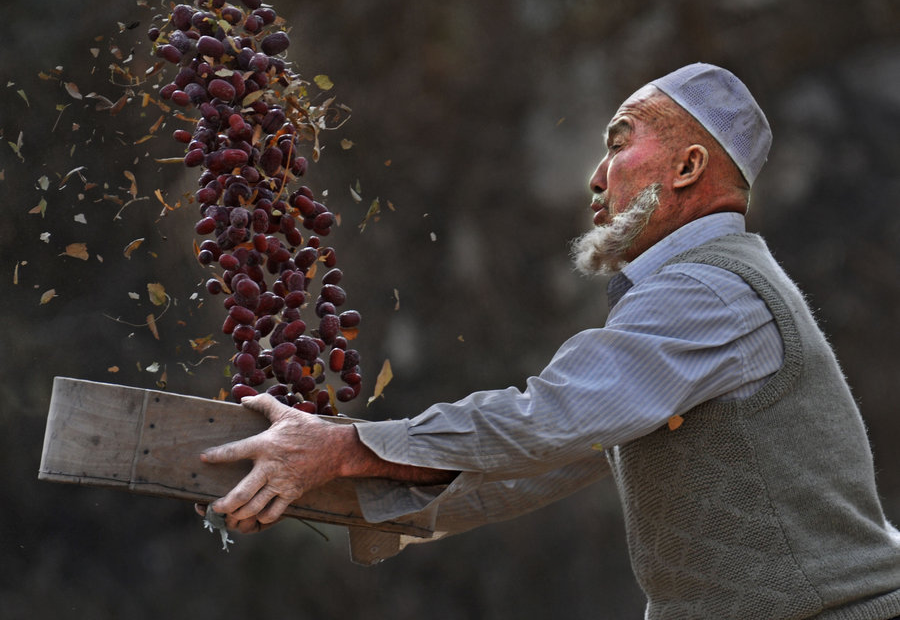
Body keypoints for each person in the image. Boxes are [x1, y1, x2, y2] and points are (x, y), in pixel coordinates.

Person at [197, 63, 900, 618]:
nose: (596, 177)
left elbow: (546, 420)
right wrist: (343, 489)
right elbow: (554, 457)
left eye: (620, 140)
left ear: (687, 168)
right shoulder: (699, 293)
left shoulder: (708, 290)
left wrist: (344, 447)